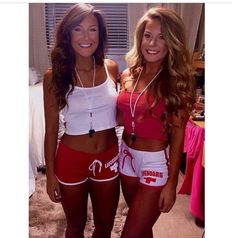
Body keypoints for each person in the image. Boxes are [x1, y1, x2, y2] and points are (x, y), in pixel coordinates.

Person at [117, 7, 196, 238]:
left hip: (154, 163)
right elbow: (124, 114)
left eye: (162, 37)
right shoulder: (128, 74)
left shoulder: (178, 82)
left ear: (172, 42)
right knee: (141, 227)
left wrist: (172, 184)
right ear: (140, 37)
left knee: (130, 233)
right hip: (126, 158)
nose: (152, 43)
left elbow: (178, 135)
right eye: (148, 35)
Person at [43, 3, 120, 238]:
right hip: (71, 158)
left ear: (101, 34)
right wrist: (50, 176)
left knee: (105, 225)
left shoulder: (112, 68)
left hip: (108, 156)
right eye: (78, 29)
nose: (86, 37)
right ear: (68, 33)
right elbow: (51, 129)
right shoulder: (54, 76)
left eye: (93, 29)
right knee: (75, 226)